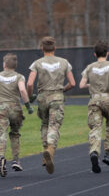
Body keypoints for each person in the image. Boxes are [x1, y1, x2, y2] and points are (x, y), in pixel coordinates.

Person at [27, 36, 76, 174]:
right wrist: (62, 90)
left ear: (42, 48)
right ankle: (50, 150)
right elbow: (72, 83)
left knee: (44, 124)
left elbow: (30, 83)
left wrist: (30, 96)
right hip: (57, 97)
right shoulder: (64, 62)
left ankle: (45, 153)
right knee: (54, 126)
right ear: (55, 48)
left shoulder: (37, 63)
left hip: (42, 98)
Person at [79, 40, 109, 173]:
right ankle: (108, 153)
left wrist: (91, 85)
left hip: (94, 100)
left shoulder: (89, 67)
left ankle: (94, 152)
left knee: (95, 127)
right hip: (108, 99)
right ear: (107, 53)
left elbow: (81, 85)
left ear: (95, 54)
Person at [0, 53, 34, 177]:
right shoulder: (19, 76)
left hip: (1, 109)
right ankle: (16, 160)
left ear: (4, 64)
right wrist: (28, 106)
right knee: (14, 134)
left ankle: (2, 157)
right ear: (15, 65)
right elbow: (23, 90)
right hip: (15, 109)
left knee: (1, 133)